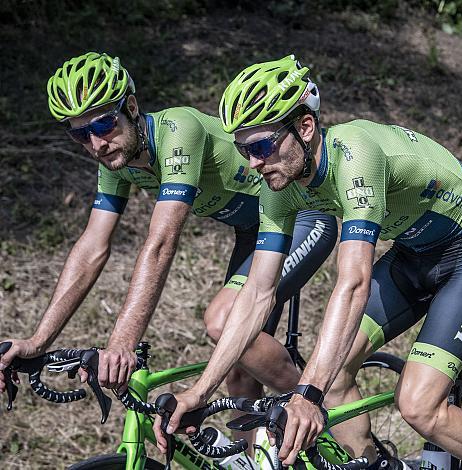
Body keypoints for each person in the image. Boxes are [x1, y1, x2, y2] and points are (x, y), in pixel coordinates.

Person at [154, 55, 462, 470]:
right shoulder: (279, 188)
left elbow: (352, 283)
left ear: (305, 128)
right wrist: (200, 392)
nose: (253, 163)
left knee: (417, 405)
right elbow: (256, 295)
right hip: (411, 255)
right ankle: (374, 463)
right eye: (243, 150)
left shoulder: (354, 157)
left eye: (260, 147)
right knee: (331, 377)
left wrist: (305, 394)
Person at [0, 52, 337, 409]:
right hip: (256, 231)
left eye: (103, 125)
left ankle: (322, 412)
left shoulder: (178, 130)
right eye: (80, 134)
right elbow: (91, 247)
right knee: (239, 366)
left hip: (303, 216)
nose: (96, 144)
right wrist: (38, 340)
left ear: (130, 107)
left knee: (223, 322)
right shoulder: (116, 162)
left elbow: (161, 243)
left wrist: (123, 343)